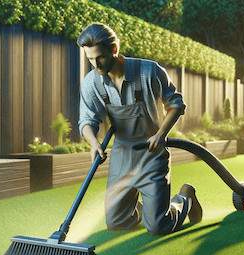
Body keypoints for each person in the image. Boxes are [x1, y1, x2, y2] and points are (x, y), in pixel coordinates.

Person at [77, 23, 202, 235]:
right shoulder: (92, 82)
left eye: (100, 58)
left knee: (157, 226)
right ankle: (150, 208)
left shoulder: (149, 71)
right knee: (117, 222)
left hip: (152, 153)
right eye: (90, 59)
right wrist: (93, 143)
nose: (95, 65)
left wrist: (161, 134)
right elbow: (87, 120)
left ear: (114, 49)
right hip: (122, 154)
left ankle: (184, 199)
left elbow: (176, 104)